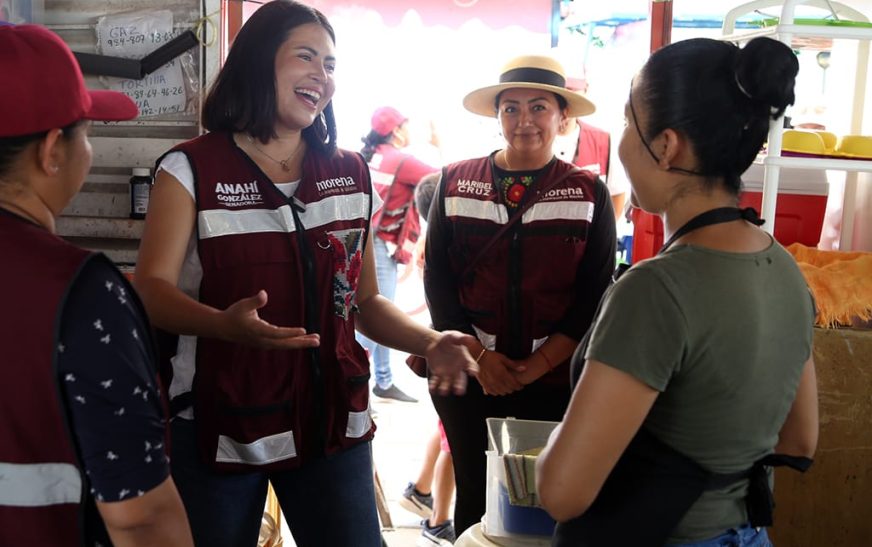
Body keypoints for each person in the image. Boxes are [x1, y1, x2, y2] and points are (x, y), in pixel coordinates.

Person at [132, 3, 477, 546]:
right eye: (306, 56)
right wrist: (224, 325)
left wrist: (430, 341)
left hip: (333, 424)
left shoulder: (349, 173)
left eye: (332, 64)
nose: (323, 74)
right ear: (256, 62)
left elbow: (362, 301)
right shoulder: (190, 168)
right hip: (220, 427)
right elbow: (150, 291)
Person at [536, 37, 819, 547]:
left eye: (628, 123)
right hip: (749, 535)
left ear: (666, 147)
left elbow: (562, 492)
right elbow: (800, 439)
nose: (623, 142)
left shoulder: (655, 290)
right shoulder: (786, 270)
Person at [0, 24, 192, 546]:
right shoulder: (81, 295)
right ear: (50, 151)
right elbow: (140, 515)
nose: (89, 149)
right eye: (85, 132)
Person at [424, 54, 617, 535]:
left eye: (538, 107)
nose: (524, 120)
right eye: (510, 108)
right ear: (497, 116)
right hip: (468, 378)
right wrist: (480, 357)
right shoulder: (455, 180)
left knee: (547, 499)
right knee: (474, 492)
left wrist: (538, 365)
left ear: (563, 117)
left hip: (557, 381)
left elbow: (595, 293)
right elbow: (438, 282)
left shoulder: (589, 192)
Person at [357, 106, 440, 403]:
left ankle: (383, 380)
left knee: (378, 311)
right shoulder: (401, 159)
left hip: (370, 238)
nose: (408, 131)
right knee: (375, 313)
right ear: (396, 130)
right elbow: (443, 181)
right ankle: (352, 388)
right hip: (380, 245)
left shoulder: (373, 155)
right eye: (406, 125)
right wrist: (437, 145)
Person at [399, 172, 457, 547]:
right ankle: (438, 521)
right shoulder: (443, 245)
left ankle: (420, 490)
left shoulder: (429, 242)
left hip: (442, 348)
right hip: (451, 351)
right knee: (454, 439)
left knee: (445, 428)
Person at [552, 71, 626, 221]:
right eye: (558, 95)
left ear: (585, 92)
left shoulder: (603, 140)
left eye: (571, 93)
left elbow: (616, 195)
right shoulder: (532, 141)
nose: (564, 103)